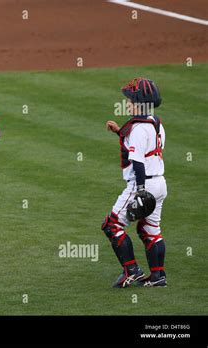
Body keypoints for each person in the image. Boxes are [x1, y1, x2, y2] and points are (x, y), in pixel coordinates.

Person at [102, 77, 167, 288]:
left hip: (142, 184)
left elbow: (138, 161)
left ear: (139, 102)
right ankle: (158, 277)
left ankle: (132, 271)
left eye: (130, 99)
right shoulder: (156, 124)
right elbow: (147, 149)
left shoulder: (139, 128)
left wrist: (139, 191)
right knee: (150, 229)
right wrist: (119, 133)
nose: (127, 103)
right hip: (159, 184)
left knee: (112, 225)